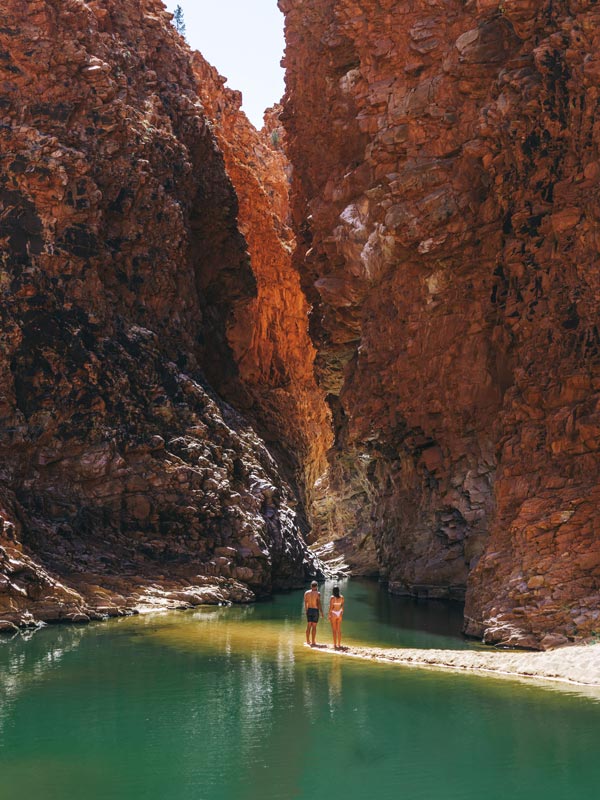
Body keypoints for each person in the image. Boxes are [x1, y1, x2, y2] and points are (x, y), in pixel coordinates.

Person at [304, 580, 323, 646]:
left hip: (309, 610)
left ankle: (307, 641)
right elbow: (319, 604)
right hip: (315, 610)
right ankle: (313, 642)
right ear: (316, 586)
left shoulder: (306, 593)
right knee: (314, 626)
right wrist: (321, 612)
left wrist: (306, 611)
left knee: (308, 625)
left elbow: (305, 603)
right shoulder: (318, 593)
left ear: (311, 586)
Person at [328, 586, 344, 650]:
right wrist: (342, 612)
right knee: (339, 630)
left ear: (333, 591)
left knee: (334, 630)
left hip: (334, 613)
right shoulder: (342, 597)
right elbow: (342, 606)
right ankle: (339, 644)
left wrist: (329, 615)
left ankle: (335, 645)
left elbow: (331, 607)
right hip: (339, 613)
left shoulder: (332, 598)